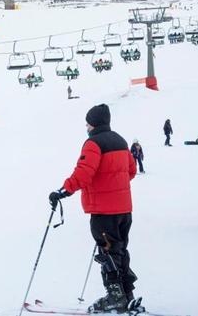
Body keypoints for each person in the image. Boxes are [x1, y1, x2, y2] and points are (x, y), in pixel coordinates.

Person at [48, 104, 138, 313]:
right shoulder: (121, 141)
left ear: (93, 123)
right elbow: (130, 171)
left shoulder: (93, 143)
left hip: (104, 211)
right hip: (124, 210)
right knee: (119, 249)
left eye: (87, 122)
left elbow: (83, 173)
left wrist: (63, 191)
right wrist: (114, 186)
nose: (86, 126)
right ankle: (126, 293)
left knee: (108, 251)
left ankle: (116, 297)